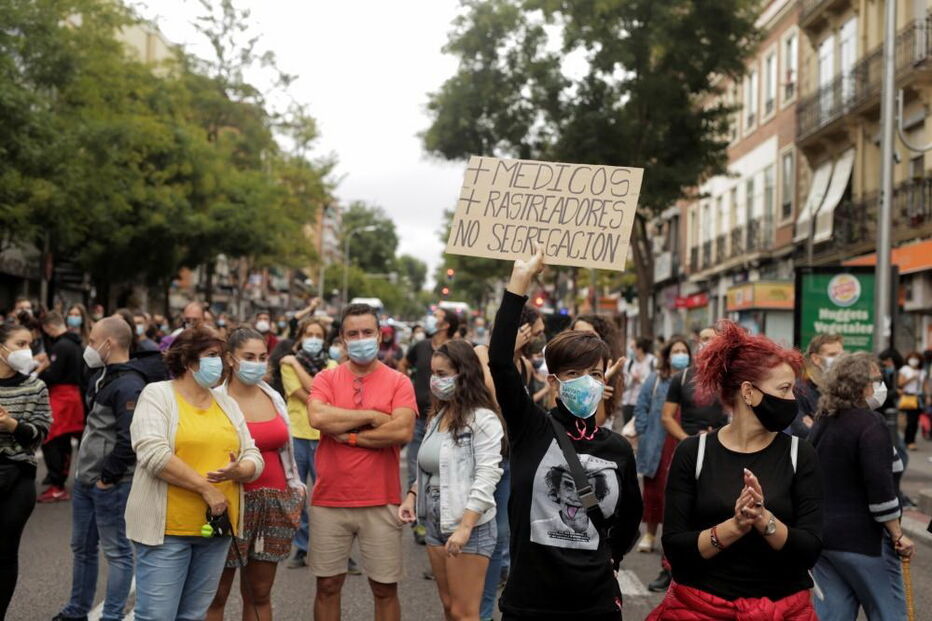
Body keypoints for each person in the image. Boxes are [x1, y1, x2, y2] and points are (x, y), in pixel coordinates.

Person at [489, 248, 642, 620]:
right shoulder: (532, 428)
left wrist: (610, 557)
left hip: (594, 603)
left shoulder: (617, 448)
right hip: (531, 601)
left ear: (605, 380)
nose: (585, 383)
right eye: (573, 374)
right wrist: (519, 284)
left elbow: (628, 520)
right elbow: (498, 361)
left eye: (594, 373)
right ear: (553, 381)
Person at [648, 320, 822, 620]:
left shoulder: (800, 454)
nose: (792, 400)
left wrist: (763, 519)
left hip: (783, 609)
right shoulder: (694, 452)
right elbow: (676, 549)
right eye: (784, 389)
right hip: (699, 608)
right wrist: (735, 526)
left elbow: (809, 549)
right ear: (748, 392)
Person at [126, 326, 264, 621]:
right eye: (213, 355)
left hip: (215, 530)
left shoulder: (226, 403)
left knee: (193, 615)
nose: (222, 363)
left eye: (223, 356)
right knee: (156, 616)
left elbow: (253, 454)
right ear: (189, 362)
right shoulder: (157, 395)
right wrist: (207, 489)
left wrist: (241, 468)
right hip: (167, 531)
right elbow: (153, 453)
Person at [307, 303, 417, 621]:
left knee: (385, 589)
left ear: (380, 336)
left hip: (381, 500)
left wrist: (351, 436)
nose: (360, 339)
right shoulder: (326, 378)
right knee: (327, 585)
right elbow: (317, 417)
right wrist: (371, 416)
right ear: (342, 339)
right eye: (352, 333)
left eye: (367, 332)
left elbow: (402, 429)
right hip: (329, 499)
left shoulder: (399, 382)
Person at [398, 340, 505, 621]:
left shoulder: (483, 419)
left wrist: (466, 527)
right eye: (434, 374)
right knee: (448, 607)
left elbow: (487, 475)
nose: (436, 381)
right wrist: (412, 495)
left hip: (468, 524)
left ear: (464, 373)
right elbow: (433, 468)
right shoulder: (439, 415)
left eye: (443, 374)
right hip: (434, 521)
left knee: (465, 613)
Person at [207, 328, 305, 621]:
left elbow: (286, 451)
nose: (257, 363)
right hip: (229, 505)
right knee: (215, 594)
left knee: (259, 593)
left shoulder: (273, 396)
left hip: (274, 506)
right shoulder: (214, 399)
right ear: (230, 359)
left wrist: (294, 491)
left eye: (262, 357)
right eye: (248, 357)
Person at [808, 352, 914, 620]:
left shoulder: (824, 420)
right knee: (889, 612)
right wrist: (898, 533)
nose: (881, 385)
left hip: (824, 539)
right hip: (866, 540)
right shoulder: (870, 424)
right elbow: (880, 487)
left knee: (835, 614)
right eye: (877, 379)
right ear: (861, 384)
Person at [53, 318, 146, 621]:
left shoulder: (130, 384)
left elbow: (129, 436)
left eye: (93, 341)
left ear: (110, 343)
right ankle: (77, 610)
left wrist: (108, 478)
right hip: (87, 480)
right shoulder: (101, 375)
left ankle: (112, 615)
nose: (89, 347)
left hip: (111, 484)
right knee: (82, 548)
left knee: (117, 552)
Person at [0, 323, 51, 619]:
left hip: (16, 477)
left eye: (29, 344)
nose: (26, 351)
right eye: (19, 344)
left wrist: (13, 426)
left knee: (5, 554)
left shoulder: (35, 387)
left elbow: (39, 434)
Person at [399, 307, 459, 544]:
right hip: (420, 418)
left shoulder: (457, 350)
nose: (432, 320)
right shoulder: (421, 346)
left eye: (438, 317)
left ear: (446, 325)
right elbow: (404, 364)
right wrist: (408, 387)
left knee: (444, 470)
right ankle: (419, 523)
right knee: (415, 469)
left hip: (447, 419)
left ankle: (443, 522)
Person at [279, 318, 330, 569]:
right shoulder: (285, 365)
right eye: (308, 333)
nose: (313, 338)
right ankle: (302, 546)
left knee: (327, 496)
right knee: (298, 495)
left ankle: (328, 546)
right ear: (300, 336)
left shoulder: (332, 364)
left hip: (325, 437)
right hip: (297, 435)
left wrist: (295, 363)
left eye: (318, 334)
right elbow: (304, 394)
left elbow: (316, 392)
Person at [634, 337, 690, 556]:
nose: (679, 354)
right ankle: (649, 534)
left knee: (678, 490)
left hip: (683, 439)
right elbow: (641, 407)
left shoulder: (693, 380)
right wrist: (644, 434)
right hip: (658, 442)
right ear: (667, 355)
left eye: (683, 350)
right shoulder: (656, 379)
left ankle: (673, 536)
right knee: (655, 490)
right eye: (675, 350)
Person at [37, 312, 86, 503]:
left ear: (49, 327)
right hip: (72, 396)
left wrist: (40, 372)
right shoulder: (76, 343)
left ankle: (57, 483)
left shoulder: (60, 345)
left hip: (61, 397)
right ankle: (59, 481)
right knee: (63, 440)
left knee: (50, 438)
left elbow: (54, 375)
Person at [789, 334, 845, 439]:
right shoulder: (800, 389)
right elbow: (803, 431)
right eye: (832, 355)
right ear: (815, 358)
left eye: (841, 355)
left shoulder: (841, 386)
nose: (839, 360)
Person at [621, 338, 655, 429]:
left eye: (632, 347)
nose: (630, 350)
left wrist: (640, 380)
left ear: (640, 349)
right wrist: (632, 379)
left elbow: (654, 382)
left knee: (643, 429)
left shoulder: (652, 362)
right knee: (627, 431)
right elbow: (624, 383)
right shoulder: (629, 363)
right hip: (629, 403)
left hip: (646, 403)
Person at [899, 351, 925, 450]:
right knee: (909, 420)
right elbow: (900, 383)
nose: (914, 360)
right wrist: (911, 378)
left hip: (918, 397)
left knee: (915, 420)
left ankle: (910, 440)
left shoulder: (922, 371)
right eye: (912, 358)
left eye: (916, 358)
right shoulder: (905, 369)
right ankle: (908, 441)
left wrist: (928, 397)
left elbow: (925, 385)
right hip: (907, 397)